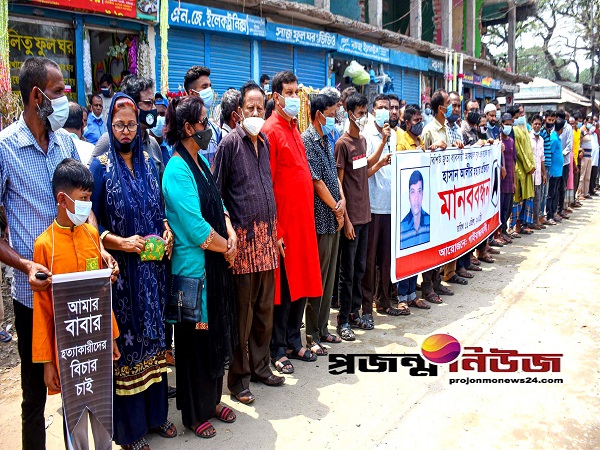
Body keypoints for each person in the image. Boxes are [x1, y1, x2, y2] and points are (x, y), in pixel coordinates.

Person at [0, 56, 101, 450]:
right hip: (34, 296)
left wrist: (99, 246)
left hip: (77, 290)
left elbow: (83, 204)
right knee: (35, 395)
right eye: (59, 91)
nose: (66, 98)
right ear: (37, 96)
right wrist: (26, 264)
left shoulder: (65, 142)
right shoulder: (6, 148)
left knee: (80, 385)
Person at [89, 93, 176, 449]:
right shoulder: (100, 166)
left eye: (130, 125)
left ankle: (156, 417)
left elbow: (159, 208)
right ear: (110, 126)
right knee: (127, 347)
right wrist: (120, 243)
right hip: (122, 277)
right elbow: (90, 220)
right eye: (118, 125)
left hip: (152, 275)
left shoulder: (149, 161)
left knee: (155, 343)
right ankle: (130, 431)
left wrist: (166, 230)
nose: (125, 131)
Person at [162, 95, 238, 439]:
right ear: (188, 127)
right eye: (203, 122)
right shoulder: (177, 169)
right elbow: (195, 229)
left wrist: (230, 231)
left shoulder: (201, 160)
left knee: (214, 336)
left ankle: (213, 401)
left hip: (215, 265)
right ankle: (194, 413)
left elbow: (218, 201)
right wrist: (227, 248)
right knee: (195, 341)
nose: (208, 128)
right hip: (193, 276)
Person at [31, 158, 120, 449]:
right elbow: (43, 309)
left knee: (103, 416)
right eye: (82, 199)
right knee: (77, 423)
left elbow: (101, 296)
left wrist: (112, 337)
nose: (87, 205)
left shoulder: (92, 236)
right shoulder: (45, 245)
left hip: (97, 347)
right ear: (62, 199)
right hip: (67, 355)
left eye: (89, 198)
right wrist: (47, 362)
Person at [213, 81, 283, 403]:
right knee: (242, 316)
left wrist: (276, 235)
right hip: (243, 245)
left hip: (267, 242)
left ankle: (261, 367)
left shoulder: (264, 142)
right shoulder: (229, 144)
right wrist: (227, 230)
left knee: (265, 310)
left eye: (259, 108)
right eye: (250, 107)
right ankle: (238, 380)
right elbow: (216, 194)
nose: (255, 113)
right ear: (239, 111)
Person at [262, 70, 322, 370]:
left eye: (297, 92)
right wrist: (277, 230)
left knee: (302, 285)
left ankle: (294, 341)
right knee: (284, 289)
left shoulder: (294, 128)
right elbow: (268, 183)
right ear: (276, 97)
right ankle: (278, 349)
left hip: (303, 224)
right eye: (289, 92)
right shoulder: (270, 130)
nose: (295, 97)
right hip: (285, 226)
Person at [335, 93, 389, 341]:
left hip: (365, 216)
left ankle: (355, 312)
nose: (363, 117)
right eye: (359, 113)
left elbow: (364, 170)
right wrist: (345, 220)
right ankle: (343, 320)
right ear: (349, 114)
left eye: (365, 112)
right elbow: (340, 184)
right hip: (352, 219)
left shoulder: (362, 142)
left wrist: (383, 146)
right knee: (347, 273)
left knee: (360, 269)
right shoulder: (343, 144)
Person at [301, 94, 345, 354]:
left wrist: (341, 203)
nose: (334, 118)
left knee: (328, 279)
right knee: (316, 279)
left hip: (333, 218)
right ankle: (312, 334)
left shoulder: (327, 140)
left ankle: (324, 327)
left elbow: (333, 177)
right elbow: (316, 182)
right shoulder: (307, 140)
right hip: (320, 219)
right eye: (331, 113)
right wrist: (336, 207)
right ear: (319, 114)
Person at [361, 94, 399, 325]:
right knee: (369, 261)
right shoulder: (367, 135)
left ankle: (384, 301)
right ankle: (367, 308)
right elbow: (363, 171)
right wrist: (382, 144)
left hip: (390, 206)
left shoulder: (394, 134)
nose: (386, 111)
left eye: (390, 107)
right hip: (373, 206)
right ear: (373, 111)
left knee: (386, 260)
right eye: (382, 107)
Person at [91, 75, 165, 180]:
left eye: (154, 103)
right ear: (131, 105)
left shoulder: (153, 144)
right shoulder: (108, 141)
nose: (153, 108)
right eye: (148, 103)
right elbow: (90, 180)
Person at [395, 105, 432, 310]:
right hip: (406, 204)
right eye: (416, 121)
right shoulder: (402, 143)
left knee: (417, 249)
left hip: (420, 203)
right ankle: (402, 296)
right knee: (406, 250)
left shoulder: (420, 141)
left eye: (420, 120)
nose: (420, 124)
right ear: (407, 123)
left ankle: (412, 294)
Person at [420, 89, 453, 302]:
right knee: (430, 241)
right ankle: (427, 286)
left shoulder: (446, 128)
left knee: (441, 238)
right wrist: (434, 148)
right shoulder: (429, 130)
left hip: (444, 191)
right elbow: (421, 156)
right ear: (440, 108)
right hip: (431, 192)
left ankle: (437, 280)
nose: (450, 107)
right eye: (448, 103)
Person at [184, 66, 222, 167]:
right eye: (204, 87)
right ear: (192, 93)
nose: (209, 91)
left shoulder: (215, 130)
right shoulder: (183, 131)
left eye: (210, 86)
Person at [508, 104, 536, 236]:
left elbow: (529, 150)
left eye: (522, 113)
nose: (522, 115)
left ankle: (521, 225)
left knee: (526, 199)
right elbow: (518, 151)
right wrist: (528, 166)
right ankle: (513, 227)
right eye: (519, 113)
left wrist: (532, 164)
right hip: (520, 169)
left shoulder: (524, 129)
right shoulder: (514, 130)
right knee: (517, 199)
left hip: (528, 169)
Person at [400, 170, 430, 248]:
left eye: (419, 191)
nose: (416, 198)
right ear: (409, 196)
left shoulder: (430, 221)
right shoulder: (401, 227)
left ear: (422, 194)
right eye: (413, 192)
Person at [499, 113, 516, 239]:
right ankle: (501, 231)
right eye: (506, 124)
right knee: (502, 207)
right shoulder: (498, 142)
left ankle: (504, 231)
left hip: (510, 179)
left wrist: (514, 181)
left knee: (508, 207)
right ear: (502, 124)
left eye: (510, 124)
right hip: (501, 180)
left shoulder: (511, 141)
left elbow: (513, 162)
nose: (508, 126)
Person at [547, 118, 566, 224]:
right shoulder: (554, 139)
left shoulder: (557, 138)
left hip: (558, 171)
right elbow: (550, 153)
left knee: (555, 194)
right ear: (561, 129)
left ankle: (554, 212)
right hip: (553, 171)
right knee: (551, 194)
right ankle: (549, 214)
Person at [529, 114, 547, 229]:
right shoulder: (528, 138)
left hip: (538, 174)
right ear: (531, 124)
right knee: (529, 199)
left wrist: (544, 173)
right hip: (529, 174)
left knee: (537, 199)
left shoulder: (541, 140)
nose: (537, 126)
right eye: (535, 123)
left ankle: (535, 221)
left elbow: (542, 158)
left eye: (539, 124)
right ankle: (528, 222)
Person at [540, 110, 557, 222]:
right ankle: (540, 215)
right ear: (545, 119)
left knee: (545, 193)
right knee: (542, 192)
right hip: (543, 166)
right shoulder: (542, 132)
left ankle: (542, 214)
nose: (551, 122)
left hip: (548, 165)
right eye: (549, 120)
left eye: (552, 120)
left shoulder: (549, 132)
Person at [556, 110, 572, 219]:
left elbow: (569, 145)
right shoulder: (555, 127)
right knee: (555, 187)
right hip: (556, 162)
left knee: (562, 186)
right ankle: (554, 210)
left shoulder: (568, 128)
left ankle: (560, 209)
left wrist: (561, 154)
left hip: (564, 162)